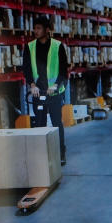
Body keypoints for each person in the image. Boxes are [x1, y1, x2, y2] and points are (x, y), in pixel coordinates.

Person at [22, 15, 69, 166]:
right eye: (34, 28)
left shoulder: (57, 46)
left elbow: (63, 70)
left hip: (54, 92)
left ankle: (61, 152)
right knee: (40, 123)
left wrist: (55, 85)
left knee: (56, 123)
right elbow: (27, 68)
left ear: (47, 30)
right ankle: (41, 156)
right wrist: (31, 85)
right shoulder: (30, 47)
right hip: (38, 92)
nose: (35, 31)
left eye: (38, 28)